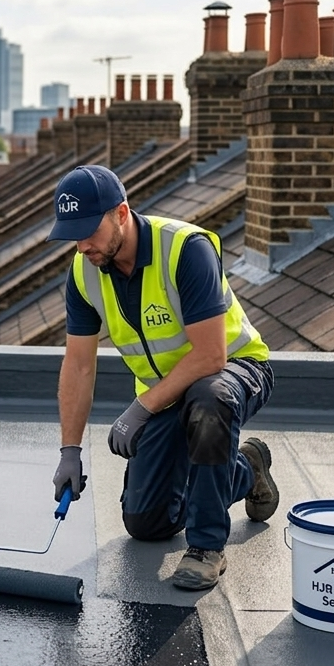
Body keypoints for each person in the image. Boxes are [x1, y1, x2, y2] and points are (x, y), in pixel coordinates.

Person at [47, 164, 278, 591]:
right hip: (166, 394)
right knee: (147, 522)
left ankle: (207, 548)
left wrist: (140, 407)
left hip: (235, 370)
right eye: (72, 235)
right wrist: (69, 450)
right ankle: (246, 468)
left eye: (88, 231)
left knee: (210, 401)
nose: (81, 246)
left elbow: (211, 355)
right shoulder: (84, 274)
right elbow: (79, 364)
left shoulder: (184, 249)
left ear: (120, 213)